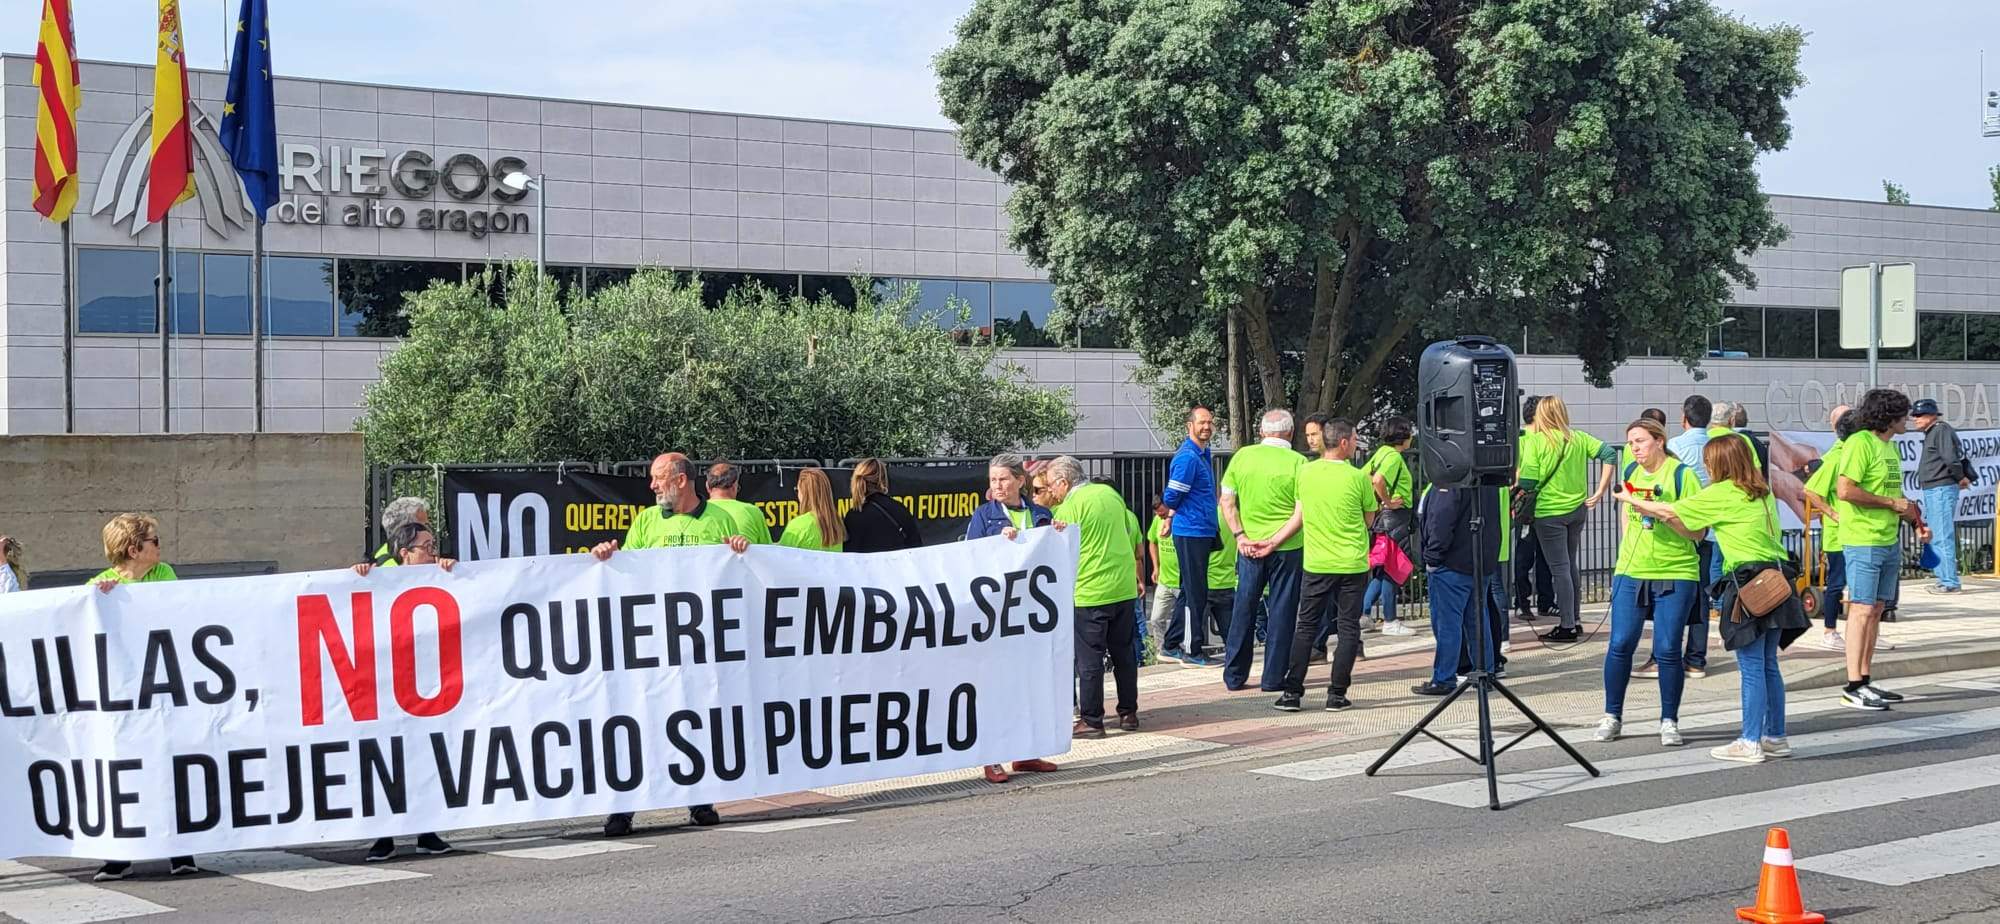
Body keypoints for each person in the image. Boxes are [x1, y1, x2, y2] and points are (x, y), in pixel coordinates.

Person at [590, 452, 750, 837]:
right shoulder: (646, 521)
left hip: (698, 642)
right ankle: (624, 808)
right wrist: (605, 557)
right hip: (651, 640)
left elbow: (738, 572)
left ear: (681, 480)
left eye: (658, 478)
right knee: (640, 718)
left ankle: (699, 800)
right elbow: (625, 574)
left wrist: (742, 552)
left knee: (693, 718)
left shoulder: (719, 519)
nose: (652, 485)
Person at [1624, 435, 1805, 763]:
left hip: (1748, 586)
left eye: (1709, 462)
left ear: (1720, 464)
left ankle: (1749, 741)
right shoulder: (1761, 493)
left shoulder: (1722, 493)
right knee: (1768, 664)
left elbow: (1669, 510)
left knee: (1750, 667)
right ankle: (1775, 735)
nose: (1705, 468)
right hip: (1778, 582)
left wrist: (1632, 500)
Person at [87, 514, 197, 881]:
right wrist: (100, 598)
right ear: (134, 549)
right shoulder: (98, 586)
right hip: (124, 700)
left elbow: (171, 608)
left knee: (171, 769)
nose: (159, 545)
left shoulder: (163, 573)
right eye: (154, 540)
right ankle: (120, 854)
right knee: (125, 774)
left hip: (163, 692)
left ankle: (181, 851)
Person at [351, 521, 459, 862]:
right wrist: (356, 574)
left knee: (424, 756)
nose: (433, 552)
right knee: (388, 760)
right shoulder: (380, 580)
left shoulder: (439, 576)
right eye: (425, 547)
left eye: (433, 546)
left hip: (425, 686)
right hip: (385, 687)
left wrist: (450, 571)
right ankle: (383, 837)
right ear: (404, 554)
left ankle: (426, 832)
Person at [1597, 419, 1703, 747]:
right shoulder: (1630, 471)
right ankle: (1612, 715)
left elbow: (1697, 532)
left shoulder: (1682, 475)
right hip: (1632, 570)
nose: (1635, 448)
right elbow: (1626, 513)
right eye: (1631, 443)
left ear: (1659, 441)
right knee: (1621, 643)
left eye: (1641, 441)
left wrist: (1663, 515)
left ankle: (1669, 720)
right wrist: (1629, 540)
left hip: (1676, 571)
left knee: (1668, 648)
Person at [963, 453, 1059, 783]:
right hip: (995, 614)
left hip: (1031, 615)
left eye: (1003, 479)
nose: (997, 486)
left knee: (1028, 683)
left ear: (1020, 480)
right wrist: (996, 545)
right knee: (995, 686)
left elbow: (1052, 557)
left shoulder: (1041, 514)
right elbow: (970, 558)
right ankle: (991, 756)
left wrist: (1058, 534)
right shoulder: (985, 516)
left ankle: (1026, 752)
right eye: (993, 480)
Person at [1271, 418, 1377, 713]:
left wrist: (1272, 541)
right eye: (1355, 439)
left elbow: (1299, 513)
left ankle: (1292, 692)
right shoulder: (1357, 478)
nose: (1356, 444)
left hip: (1317, 561)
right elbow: (1369, 518)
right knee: (1347, 628)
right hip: (1352, 562)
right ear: (1343, 443)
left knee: (1305, 626)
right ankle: (1337, 694)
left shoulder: (1305, 473)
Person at [1830, 389, 1927, 712]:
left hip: (1887, 538)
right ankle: (1853, 684)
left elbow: (1897, 494)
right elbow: (1846, 490)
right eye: (1903, 415)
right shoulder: (1860, 443)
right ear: (1889, 417)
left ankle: (1866, 678)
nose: (1908, 421)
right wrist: (1889, 503)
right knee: (1860, 609)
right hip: (1863, 538)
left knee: (1876, 610)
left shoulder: (1890, 447)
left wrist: (1916, 523)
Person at [1038, 456, 1142, 738]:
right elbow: (1129, 531)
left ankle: (1093, 719)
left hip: (1090, 590)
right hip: (1123, 587)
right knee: (1124, 654)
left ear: (1064, 482)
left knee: (1089, 660)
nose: (1052, 492)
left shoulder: (1070, 506)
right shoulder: (1111, 494)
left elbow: (1059, 550)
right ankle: (1128, 712)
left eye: (1051, 486)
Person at [1517, 395, 1617, 642]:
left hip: (1549, 512)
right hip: (1577, 509)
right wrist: (1600, 491)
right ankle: (1576, 619)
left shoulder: (1537, 441)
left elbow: (1529, 482)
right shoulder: (1578, 438)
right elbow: (1609, 455)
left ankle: (1567, 625)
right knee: (1570, 564)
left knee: (1559, 568)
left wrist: (1515, 489)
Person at [1220, 408, 1306, 692]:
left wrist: (1241, 536)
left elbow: (1227, 501)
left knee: (1244, 607)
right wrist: (1275, 541)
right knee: (1282, 610)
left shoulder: (1242, 457)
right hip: (1287, 547)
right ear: (1290, 433)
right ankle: (1272, 678)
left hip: (1248, 547)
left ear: (1261, 433)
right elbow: (1300, 513)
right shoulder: (1299, 462)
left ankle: (1234, 675)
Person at [1413, 480, 1502, 697]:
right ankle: (1486, 672)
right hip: (1481, 560)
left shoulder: (1451, 480)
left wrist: (1432, 557)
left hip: (1452, 563)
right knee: (1478, 620)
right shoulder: (1486, 478)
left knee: (1448, 624)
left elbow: (1441, 520)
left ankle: (1444, 678)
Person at [1160, 405, 1221, 666]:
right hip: (1192, 531)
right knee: (1195, 592)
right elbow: (1172, 495)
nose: (1206, 427)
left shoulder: (1201, 453)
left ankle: (1172, 644)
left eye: (1209, 422)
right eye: (1201, 423)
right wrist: (1172, 515)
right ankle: (1191, 649)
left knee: (1190, 590)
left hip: (1198, 529)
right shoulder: (1188, 457)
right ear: (1190, 426)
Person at [1666, 395, 1717, 675]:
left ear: (1684, 418)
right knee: (1702, 594)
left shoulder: (1674, 445)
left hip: (1681, 528)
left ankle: (1668, 654)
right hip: (1708, 530)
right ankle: (1696, 659)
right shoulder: (1716, 445)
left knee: (1673, 595)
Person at [1802, 406, 1856, 650]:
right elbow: (1810, 489)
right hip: (1839, 534)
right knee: (1837, 583)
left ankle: (1863, 632)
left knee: (1859, 586)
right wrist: (1833, 513)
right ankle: (1830, 631)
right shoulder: (1836, 456)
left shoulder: (1855, 452)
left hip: (1858, 531)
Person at [1362, 417, 1417, 637]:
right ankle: (1390, 620)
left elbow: (1365, 477)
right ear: (1403, 436)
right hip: (1396, 517)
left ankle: (1364, 613)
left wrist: (1374, 502)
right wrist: (1388, 500)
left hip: (1382, 518)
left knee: (1383, 568)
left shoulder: (1381, 452)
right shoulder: (1394, 457)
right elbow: (1377, 480)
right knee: (1394, 568)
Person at [1913, 398, 1971, 595]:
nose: (1915, 419)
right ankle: (1944, 578)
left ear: (1931, 415)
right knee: (1936, 534)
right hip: (1935, 488)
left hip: (1941, 488)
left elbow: (1950, 458)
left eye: (1919, 415)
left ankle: (1950, 582)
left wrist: (1960, 477)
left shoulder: (1941, 430)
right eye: (1914, 415)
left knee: (1942, 535)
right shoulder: (1934, 432)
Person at [1513, 397, 1556, 621]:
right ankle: (1522, 602)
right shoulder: (1521, 439)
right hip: (1529, 506)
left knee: (1545, 556)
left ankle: (1546, 602)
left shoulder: (1548, 439)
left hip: (1545, 504)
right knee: (1524, 555)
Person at [842, 457, 923, 552]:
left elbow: (850, 557)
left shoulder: (854, 515)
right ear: (883, 480)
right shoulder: (900, 508)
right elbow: (916, 547)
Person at [1144, 493, 1184, 654]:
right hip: (1165, 580)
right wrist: (1156, 567)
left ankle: (1182, 648)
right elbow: (1152, 541)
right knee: (1156, 619)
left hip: (1181, 581)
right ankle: (1161, 651)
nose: (1160, 517)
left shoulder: (1181, 520)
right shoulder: (1157, 521)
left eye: (1163, 514)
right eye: (1158, 515)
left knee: (1183, 620)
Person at [779, 467, 847, 551]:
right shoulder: (836, 524)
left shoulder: (798, 525)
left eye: (797, 490)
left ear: (804, 493)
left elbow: (781, 557)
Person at [706, 461, 775, 544]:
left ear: (707, 486)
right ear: (734, 486)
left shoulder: (696, 513)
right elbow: (767, 551)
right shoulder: (751, 512)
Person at [374, 496, 431, 565]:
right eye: (422, 526)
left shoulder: (384, 552)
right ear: (406, 529)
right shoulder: (389, 566)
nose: (428, 530)